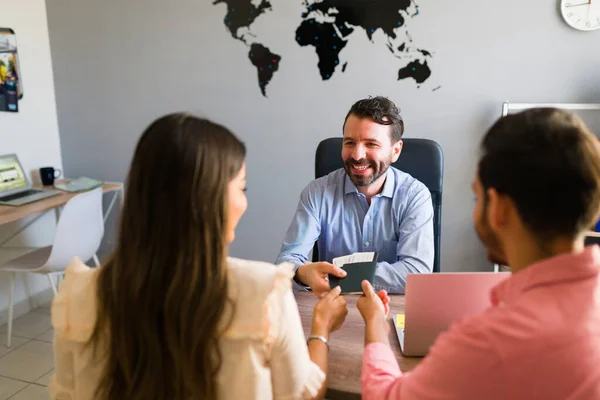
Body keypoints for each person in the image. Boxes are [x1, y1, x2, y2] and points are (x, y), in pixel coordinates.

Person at [50, 113, 348, 400]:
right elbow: (303, 394)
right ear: (209, 202)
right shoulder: (263, 292)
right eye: (242, 187)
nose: (244, 201)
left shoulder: (76, 293)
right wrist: (320, 329)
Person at [357, 107, 600, 399]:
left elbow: (386, 397)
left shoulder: (490, 343)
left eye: (477, 196)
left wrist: (375, 325)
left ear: (499, 208)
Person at [276, 96, 434, 295]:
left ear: (395, 151)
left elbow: (416, 273)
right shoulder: (317, 193)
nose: (357, 155)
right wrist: (301, 273)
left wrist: (344, 276)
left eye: (371, 144)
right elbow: (286, 262)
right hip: (333, 306)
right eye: (350, 142)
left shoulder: (415, 196)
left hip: (391, 311)